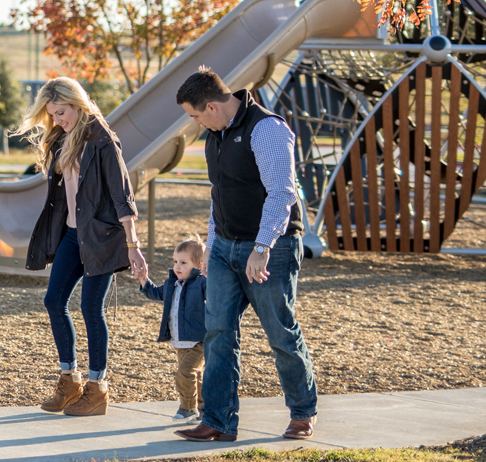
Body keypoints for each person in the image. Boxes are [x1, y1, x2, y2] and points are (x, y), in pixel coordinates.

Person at [174, 66, 318, 442]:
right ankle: (218, 421)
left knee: (280, 332)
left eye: (195, 116)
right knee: (218, 332)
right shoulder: (216, 135)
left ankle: (302, 413)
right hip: (224, 246)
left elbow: (282, 193)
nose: (196, 125)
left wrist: (261, 247)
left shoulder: (266, 129)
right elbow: (217, 195)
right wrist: (210, 246)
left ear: (212, 106)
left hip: (273, 247)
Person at [19, 77, 147, 417]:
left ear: (77, 103)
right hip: (73, 236)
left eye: (61, 112)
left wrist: (133, 245)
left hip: (104, 238)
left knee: (91, 309)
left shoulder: (103, 140)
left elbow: (123, 195)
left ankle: (97, 388)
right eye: (52, 116)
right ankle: (69, 379)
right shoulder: (64, 137)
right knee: (54, 301)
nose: (58, 120)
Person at [137, 239, 207, 423]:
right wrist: (144, 279)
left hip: (200, 340)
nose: (178, 266)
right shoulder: (171, 284)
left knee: (184, 373)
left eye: (184, 263)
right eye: (175, 261)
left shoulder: (201, 283)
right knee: (195, 375)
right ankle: (204, 409)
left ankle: (188, 408)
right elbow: (155, 293)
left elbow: (216, 295)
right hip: (180, 341)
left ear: (199, 266)